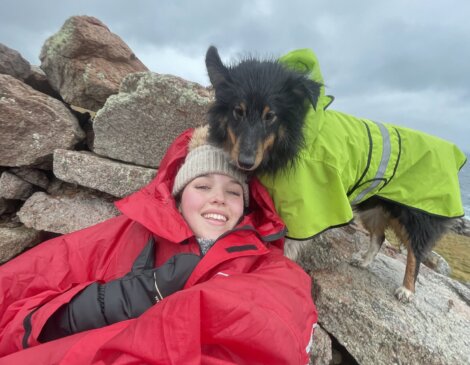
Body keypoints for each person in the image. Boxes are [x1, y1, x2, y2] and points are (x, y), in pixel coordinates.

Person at [0, 126, 317, 364]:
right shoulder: (122, 237)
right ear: (178, 196)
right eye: (203, 185)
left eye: (234, 191)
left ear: (246, 206)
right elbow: (16, 287)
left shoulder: (273, 269)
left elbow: (272, 339)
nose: (218, 197)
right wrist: (101, 305)